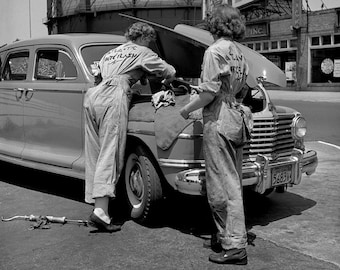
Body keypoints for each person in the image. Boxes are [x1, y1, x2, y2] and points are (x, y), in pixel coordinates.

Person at [84, 22, 176, 232]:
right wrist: (165, 80)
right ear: (144, 38)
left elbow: (100, 77)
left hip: (92, 96)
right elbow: (168, 71)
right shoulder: (142, 51)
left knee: (95, 152)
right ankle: (101, 212)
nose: (150, 43)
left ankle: (97, 202)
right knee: (111, 149)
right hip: (113, 95)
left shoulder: (111, 53)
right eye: (150, 40)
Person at [179, 5, 249, 265]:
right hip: (236, 116)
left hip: (218, 119)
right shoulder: (239, 53)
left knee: (222, 184)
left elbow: (208, 94)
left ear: (214, 25)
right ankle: (225, 236)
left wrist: (187, 110)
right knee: (233, 181)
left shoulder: (214, 51)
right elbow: (239, 90)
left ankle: (234, 245)